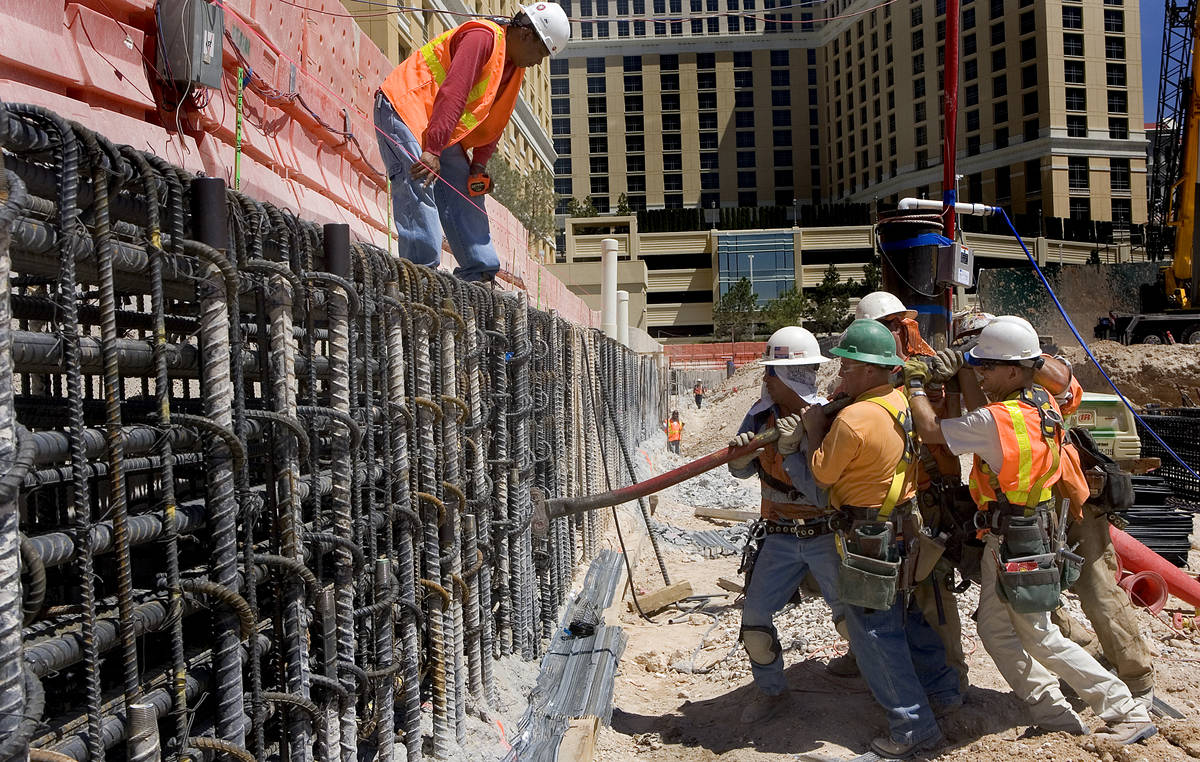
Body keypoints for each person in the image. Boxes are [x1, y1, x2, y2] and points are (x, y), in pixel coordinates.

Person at [903, 316, 1156, 745]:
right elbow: (1047, 386)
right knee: (997, 630)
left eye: (987, 367)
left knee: (1040, 634)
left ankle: (1123, 708)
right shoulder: (1043, 403)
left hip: (1017, 537)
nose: (980, 374)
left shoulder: (995, 421)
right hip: (1023, 531)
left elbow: (930, 430)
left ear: (1015, 370)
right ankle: (1052, 712)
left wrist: (915, 386)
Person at [802, 319, 961, 759]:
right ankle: (945, 693)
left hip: (868, 535)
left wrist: (816, 428)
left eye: (849, 367)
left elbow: (822, 473)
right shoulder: (901, 402)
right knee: (907, 617)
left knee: (874, 632)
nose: (841, 375)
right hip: (904, 527)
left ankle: (912, 728)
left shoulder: (853, 419)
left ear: (873, 370)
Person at [374, 3, 569, 282]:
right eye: (542, 52)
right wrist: (432, 150)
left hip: (440, 126)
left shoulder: (514, 66)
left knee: (466, 190)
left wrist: (477, 165)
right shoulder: (482, 37)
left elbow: (496, 118)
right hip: (405, 108)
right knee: (420, 177)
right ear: (527, 35)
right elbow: (455, 92)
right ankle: (420, 276)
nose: (539, 61)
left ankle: (479, 273)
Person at [726, 326, 839, 724]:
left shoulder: (826, 417)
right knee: (755, 625)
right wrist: (740, 458)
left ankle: (874, 681)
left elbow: (827, 486)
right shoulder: (759, 417)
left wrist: (798, 447)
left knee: (853, 621)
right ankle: (771, 692)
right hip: (778, 537)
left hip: (825, 534)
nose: (765, 381)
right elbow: (743, 472)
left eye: (771, 373)